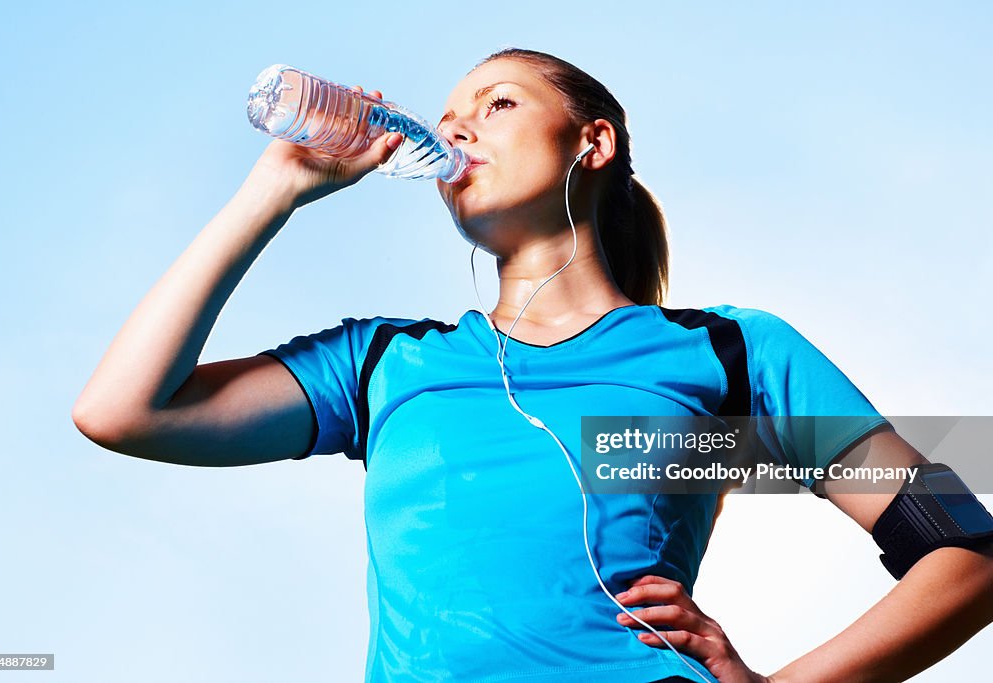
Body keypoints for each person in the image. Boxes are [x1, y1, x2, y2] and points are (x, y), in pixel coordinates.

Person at [72, 48, 993, 683]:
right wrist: (271, 192)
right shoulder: (385, 363)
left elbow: (966, 549)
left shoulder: (728, 352)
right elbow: (122, 411)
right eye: (445, 119)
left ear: (592, 142)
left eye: (497, 104)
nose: (459, 130)